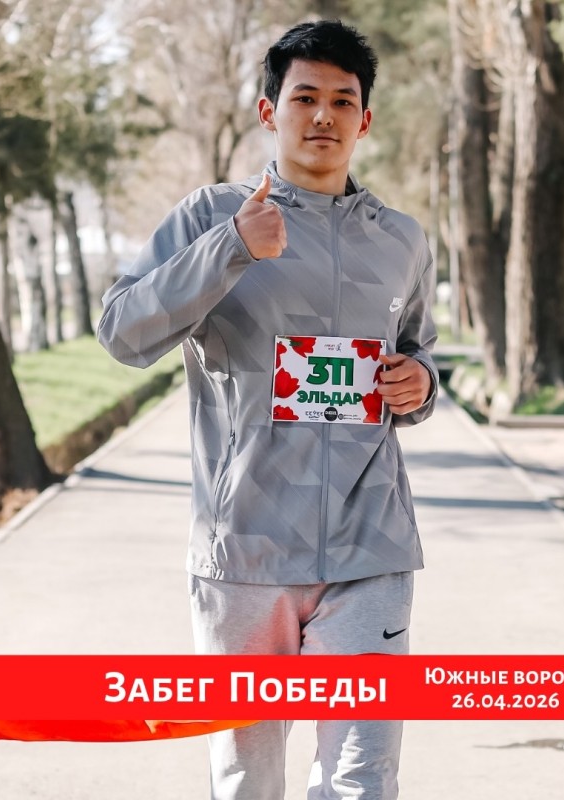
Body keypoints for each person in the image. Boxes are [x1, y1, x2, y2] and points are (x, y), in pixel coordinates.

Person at [98, 19, 438, 800]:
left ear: (365, 119)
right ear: (268, 111)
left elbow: (418, 351)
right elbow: (122, 332)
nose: (323, 116)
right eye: (305, 97)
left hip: (371, 549)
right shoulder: (211, 215)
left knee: (362, 780)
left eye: (342, 101)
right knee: (247, 781)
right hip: (245, 555)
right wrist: (231, 247)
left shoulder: (402, 240)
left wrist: (420, 383)